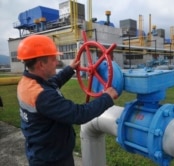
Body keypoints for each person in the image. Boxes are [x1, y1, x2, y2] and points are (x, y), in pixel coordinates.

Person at [16, 35, 118, 166]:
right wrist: (107, 98)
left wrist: (70, 69)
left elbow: (53, 83)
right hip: (52, 159)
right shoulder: (42, 96)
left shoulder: (28, 83)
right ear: (41, 64)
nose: (57, 63)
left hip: (41, 151)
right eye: (53, 59)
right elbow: (78, 114)